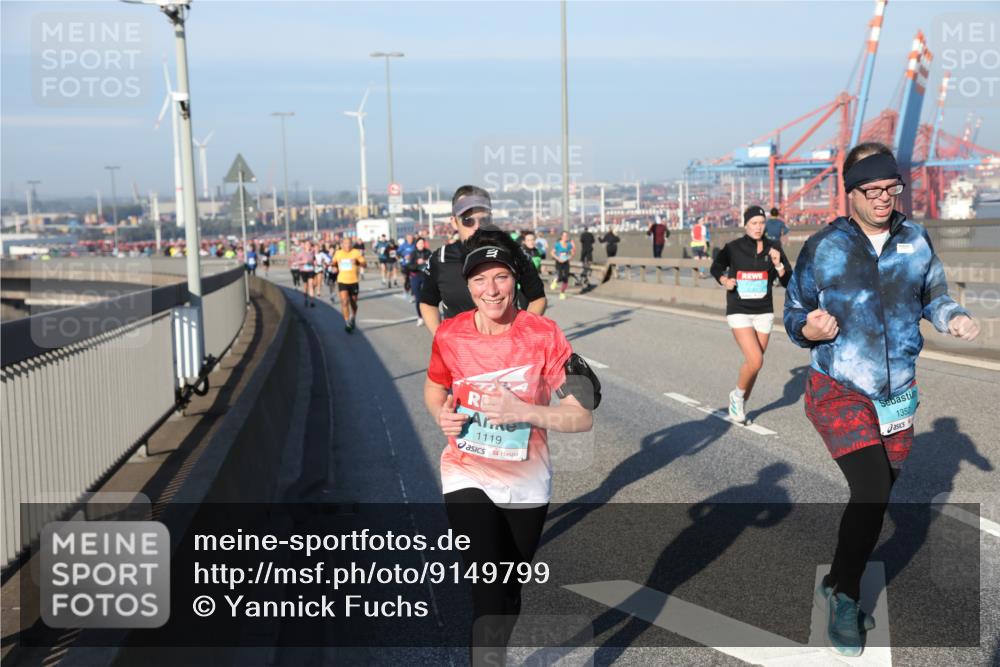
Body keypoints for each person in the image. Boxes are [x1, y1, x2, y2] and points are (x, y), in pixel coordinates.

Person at [784, 142, 981, 657]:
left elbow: (934, 295)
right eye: (871, 191)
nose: (882, 200)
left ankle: (839, 577)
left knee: (880, 493)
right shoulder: (823, 248)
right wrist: (807, 327)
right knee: (871, 491)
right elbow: (795, 310)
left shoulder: (916, 242)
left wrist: (952, 316)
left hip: (897, 397)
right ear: (849, 193)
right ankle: (845, 598)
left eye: (890, 189)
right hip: (839, 388)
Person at [424, 230, 595, 665]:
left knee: (508, 591)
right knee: (486, 589)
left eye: (500, 278)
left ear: (515, 280)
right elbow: (433, 388)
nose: (491, 290)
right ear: (467, 285)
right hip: (466, 470)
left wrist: (526, 411)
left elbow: (581, 415)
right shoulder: (450, 335)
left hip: (526, 481)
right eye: (480, 281)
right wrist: (441, 414)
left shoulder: (543, 334)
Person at [419, 185, 546, 335]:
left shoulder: (513, 252)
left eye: (484, 219)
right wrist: (441, 339)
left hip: (506, 351)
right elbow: (428, 303)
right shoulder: (440, 259)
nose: (477, 227)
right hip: (459, 352)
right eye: (468, 220)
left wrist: (519, 333)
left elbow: (537, 298)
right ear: (454, 222)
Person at [710, 205, 791, 424]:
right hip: (739, 309)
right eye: (753, 223)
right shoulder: (733, 247)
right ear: (746, 225)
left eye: (761, 223)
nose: (758, 227)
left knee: (755, 363)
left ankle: (740, 403)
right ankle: (737, 396)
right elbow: (716, 267)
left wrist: (779, 265)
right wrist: (725, 280)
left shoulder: (773, 247)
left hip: (763, 311)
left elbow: (788, 281)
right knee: (755, 359)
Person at [332, 235, 367, 332]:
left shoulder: (355, 252)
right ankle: (347, 322)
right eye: (345, 243)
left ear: (352, 244)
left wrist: (357, 261)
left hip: (354, 281)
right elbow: (333, 263)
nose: (347, 245)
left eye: (349, 243)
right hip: (342, 281)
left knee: (353, 303)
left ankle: (353, 317)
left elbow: (365, 264)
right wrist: (334, 268)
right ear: (342, 244)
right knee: (344, 301)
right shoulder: (338, 253)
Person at [405, 237, 432, 326]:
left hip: (426, 277)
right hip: (415, 277)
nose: (421, 245)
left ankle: (428, 316)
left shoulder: (428, 252)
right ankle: (420, 317)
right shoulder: (413, 254)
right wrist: (417, 264)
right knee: (418, 299)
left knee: (427, 298)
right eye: (419, 243)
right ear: (416, 244)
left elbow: (433, 264)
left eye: (422, 243)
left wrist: (424, 261)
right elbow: (409, 266)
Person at [550, 231, 575, 300]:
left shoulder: (569, 244)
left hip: (566, 262)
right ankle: (555, 281)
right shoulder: (557, 244)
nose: (565, 237)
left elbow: (573, 253)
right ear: (561, 236)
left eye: (566, 236)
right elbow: (552, 253)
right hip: (559, 262)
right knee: (560, 276)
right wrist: (558, 258)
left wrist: (569, 257)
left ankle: (562, 293)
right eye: (564, 236)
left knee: (565, 278)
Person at [399, 233, 417, 300]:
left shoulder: (415, 245)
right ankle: (406, 289)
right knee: (406, 278)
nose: (410, 240)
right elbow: (398, 252)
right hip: (405, 264)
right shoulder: (403, 245)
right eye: (408, 238)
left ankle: (413, 293)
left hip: (413, 265)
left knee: (413, 278)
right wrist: (404, 255)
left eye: (411, 238)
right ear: (406, 239)